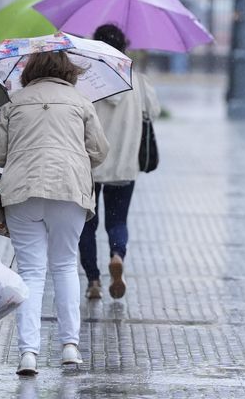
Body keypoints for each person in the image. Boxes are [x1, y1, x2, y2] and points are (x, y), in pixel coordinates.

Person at [0, 50, 109, 375]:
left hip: (21, 192)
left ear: (30, 70)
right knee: (66, 266)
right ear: (68, 71)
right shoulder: (81, 102)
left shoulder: (13, 103)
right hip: (68, 190)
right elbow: (99, 151)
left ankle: (28, 353)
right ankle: (70, 347)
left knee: (31, 273)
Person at [79, 24, 160, 300]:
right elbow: (155, 112)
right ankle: (116, 254)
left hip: (88, 164)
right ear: (124, 47)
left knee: (87, 224)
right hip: (124, 165)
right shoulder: (137, 81)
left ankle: (93, 280)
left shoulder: (87, 81)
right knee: (118, 221)